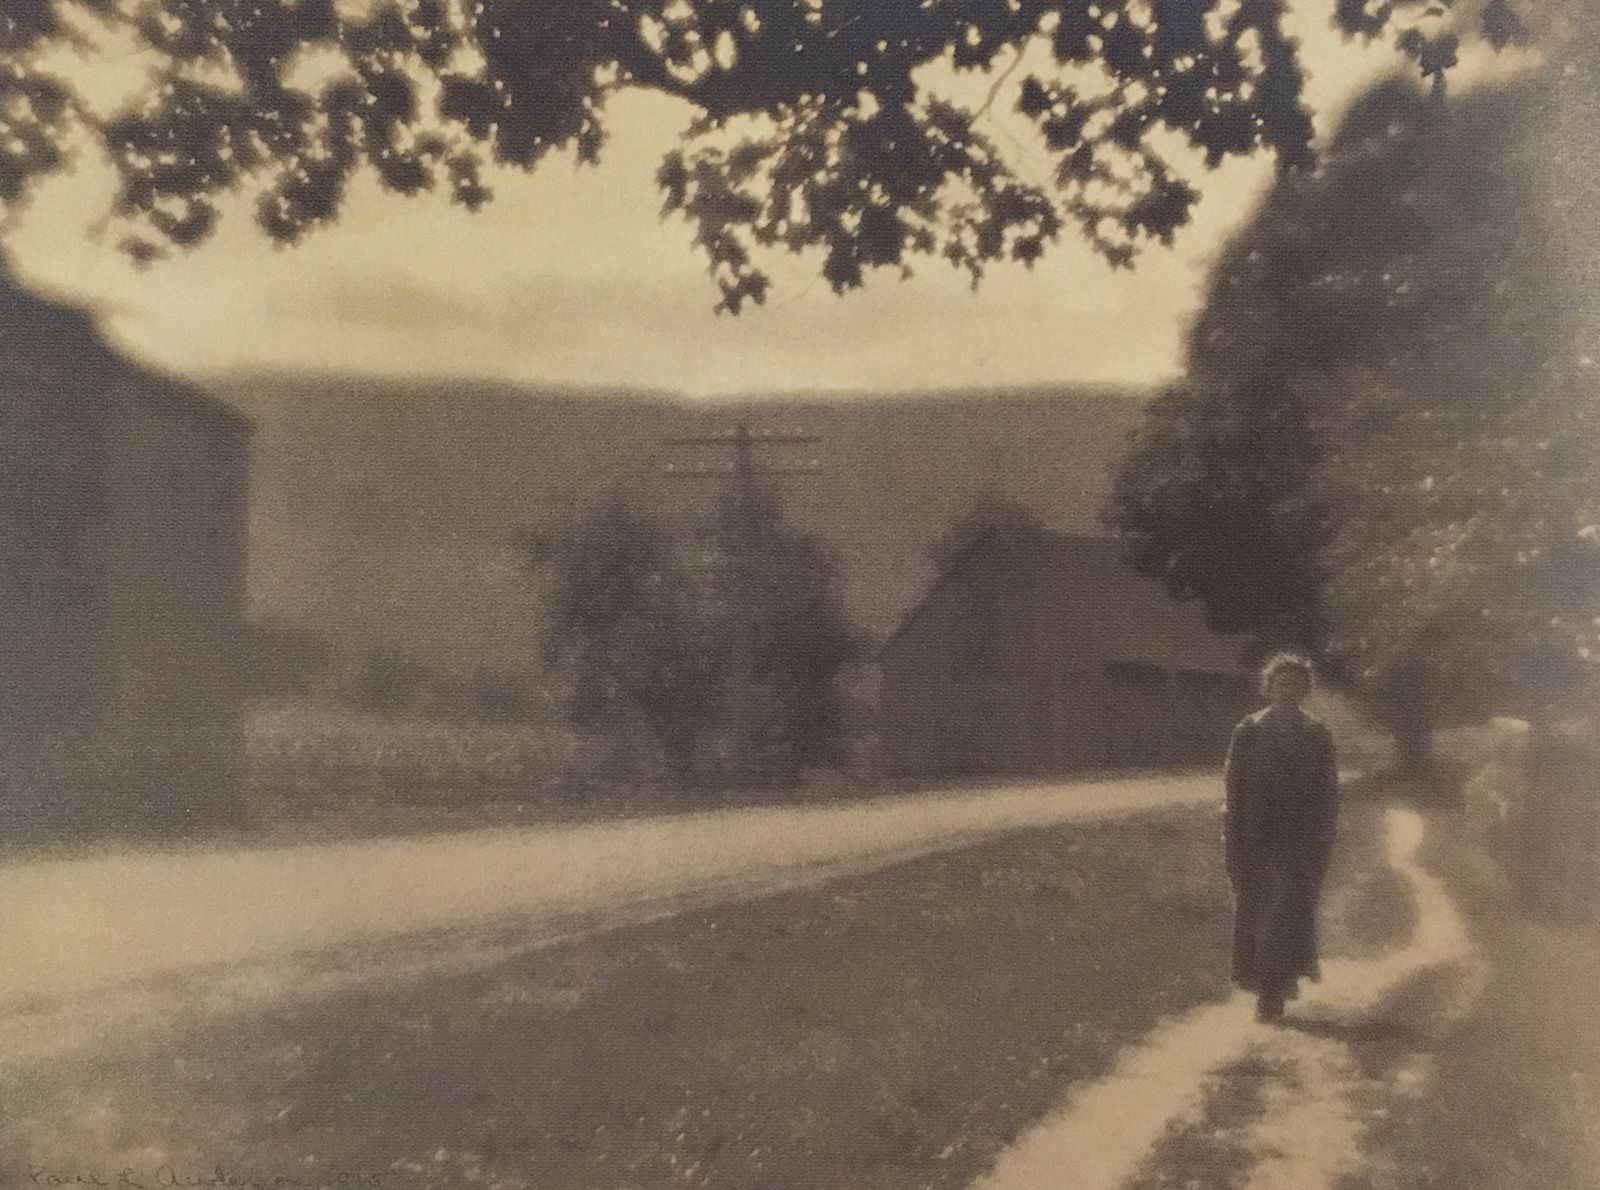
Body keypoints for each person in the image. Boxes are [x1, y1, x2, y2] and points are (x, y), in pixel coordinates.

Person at [1223, 652, 1341, 1023]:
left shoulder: (1316, 734)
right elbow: (1233, 787)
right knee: (1260, 911)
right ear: (1268, 687)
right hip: (1257, 834)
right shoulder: (1249, 731)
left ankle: (1276, 985)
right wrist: (1233, 832)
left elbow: (1328, 790)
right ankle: (1270, 985)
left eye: (1295, 685)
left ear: (1305, 690)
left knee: (1289, 910)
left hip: (1300, 837)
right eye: (1280, 684)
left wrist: (1323, 832)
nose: (1287, 691)